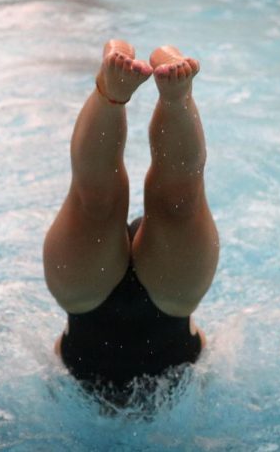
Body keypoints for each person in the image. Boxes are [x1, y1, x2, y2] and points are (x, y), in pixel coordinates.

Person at [43, 39, 220, 403]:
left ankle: (114, 93)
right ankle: (173, 96)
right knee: (176, 201)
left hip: (84, 315)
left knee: (96, 200)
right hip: (167, 308)